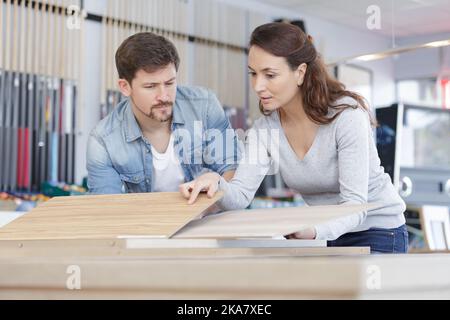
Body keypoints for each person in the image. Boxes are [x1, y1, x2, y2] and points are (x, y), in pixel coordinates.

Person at [180, 22, 408, 254]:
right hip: (324, 234)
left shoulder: (347, 116)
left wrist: (314, 231)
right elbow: (240, 196)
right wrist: (216, 183)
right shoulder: (264, 129)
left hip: (379, 230)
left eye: (270, 75)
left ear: (300, 73)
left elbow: (355, 206)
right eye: (253, 73)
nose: (258, 86)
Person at [87, 32, 239, 194]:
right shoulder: (103, 141)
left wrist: (215, 185)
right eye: (150, 86)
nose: (164, 96)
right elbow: (107, 208)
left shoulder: (204, 106)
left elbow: (233, 170)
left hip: (208, 216)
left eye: (169, 83)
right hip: (144, 219)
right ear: (125, 87)